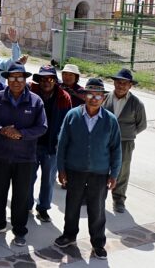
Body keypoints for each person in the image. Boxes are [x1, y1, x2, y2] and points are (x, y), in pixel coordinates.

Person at [54, 78, 122, 260]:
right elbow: (62, 144)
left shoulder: (110, 120)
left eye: (98, 95)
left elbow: (116, 149)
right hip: (75, 170)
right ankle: (69, 235)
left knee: (97, 209)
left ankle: (98, 243)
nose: (94, 98)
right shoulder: (73, 115)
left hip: (100, 172)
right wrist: (61, 169)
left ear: (103, 98)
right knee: (72, 205)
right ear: (84, 96)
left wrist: (114, 173)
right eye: (90, 94)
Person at [0, 63, 47, 247]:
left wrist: (21, 134)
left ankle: (19, 231)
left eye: (20, 78)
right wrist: (1, 130)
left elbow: (42, 127)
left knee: (21, 196)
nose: (16, 81)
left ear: (25, 80)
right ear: (7, 79)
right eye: (12, 77)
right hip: (0, 156)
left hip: (25, 159)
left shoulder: (36, 101)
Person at [29, 65, 72, 222]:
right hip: (31, 145)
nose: (46, 82)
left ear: (55, 81)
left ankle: (43, 208)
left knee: (48, 180)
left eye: (50, 78)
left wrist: (62, 146)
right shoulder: (31, 92)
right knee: (28, 177)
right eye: (43, 79)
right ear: (38, 80)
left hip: (52, 147)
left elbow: (67, 125)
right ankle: (27, 204)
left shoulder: (64, 97)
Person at [102, 68, 147, 213]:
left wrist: (127, 135)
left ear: (130, 86)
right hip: (104, 140)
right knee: (100, 167)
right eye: (118, 82)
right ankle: (97, 195)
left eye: (125, 83)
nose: (121, 86)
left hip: (125, 142)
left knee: (122, 170)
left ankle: (119, 198)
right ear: (114, 83)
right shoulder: (105, 98)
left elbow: (142, 125)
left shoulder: (137, 103)